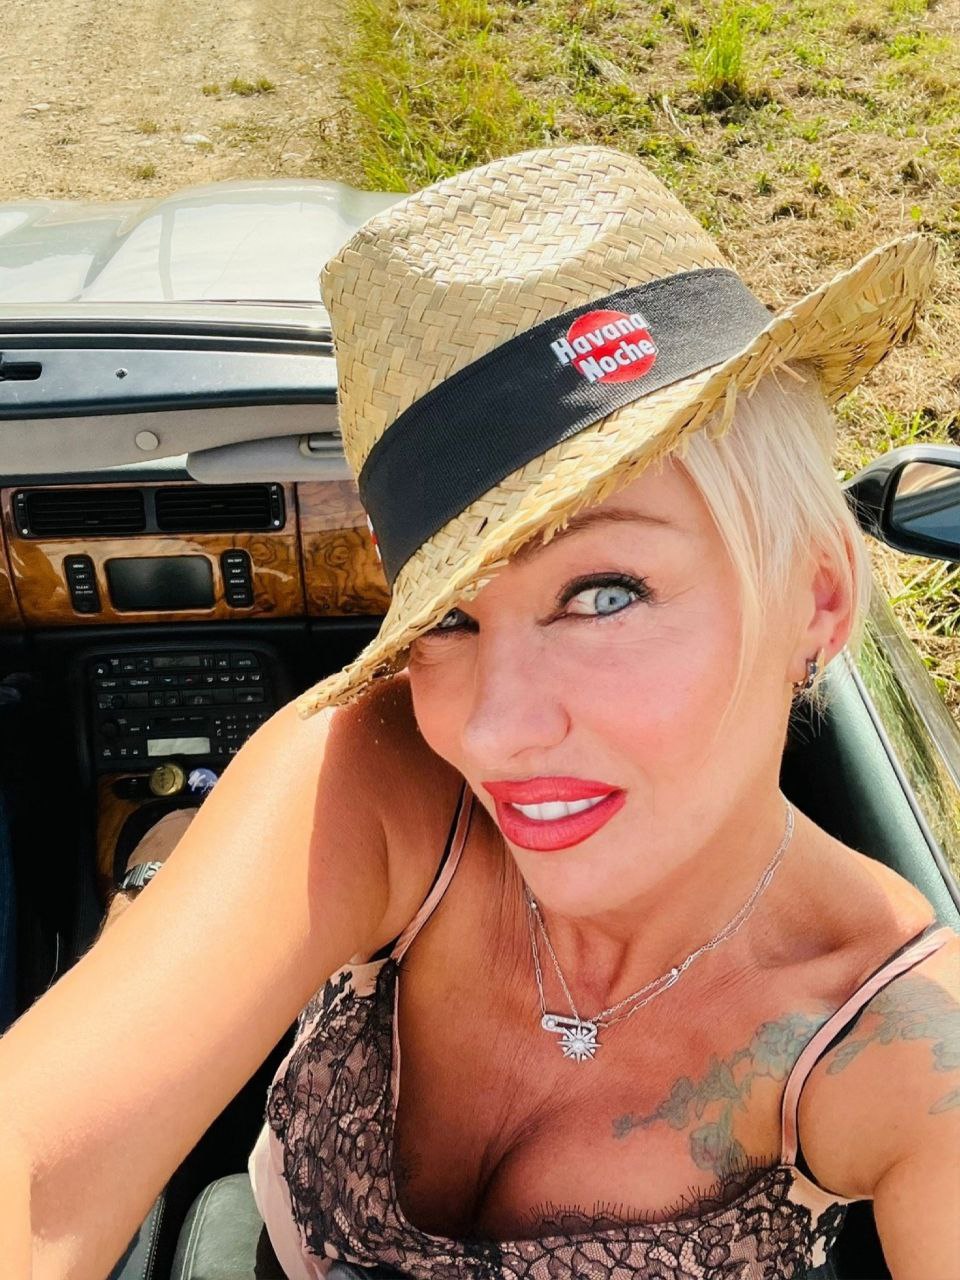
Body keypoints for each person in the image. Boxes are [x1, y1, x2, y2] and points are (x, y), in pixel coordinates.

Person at [1, 145, 958, 1280]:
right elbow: (35, 1168)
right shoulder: (381, 775)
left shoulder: (905, 1041)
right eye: (447, 617)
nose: (491, 735)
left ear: (817, 599)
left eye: (605, 594)